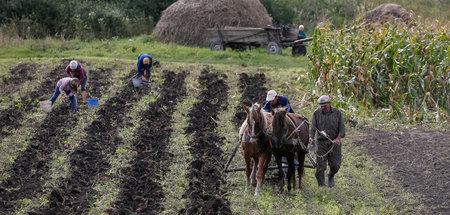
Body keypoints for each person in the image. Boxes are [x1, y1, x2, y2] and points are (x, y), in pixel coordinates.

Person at [309, 95, 345, 187]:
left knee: (335, 165)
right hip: (321, 143)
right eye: (321, 106)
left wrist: (338, 138)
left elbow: (342, 128)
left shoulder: (337, 113)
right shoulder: (316, 113)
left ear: (329, 103)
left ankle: (331, 175)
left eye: (325, 105)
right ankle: (321, 185)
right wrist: (311, 137)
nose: (323, 107)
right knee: (321, 166)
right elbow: (313, 127)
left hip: (334, 144)